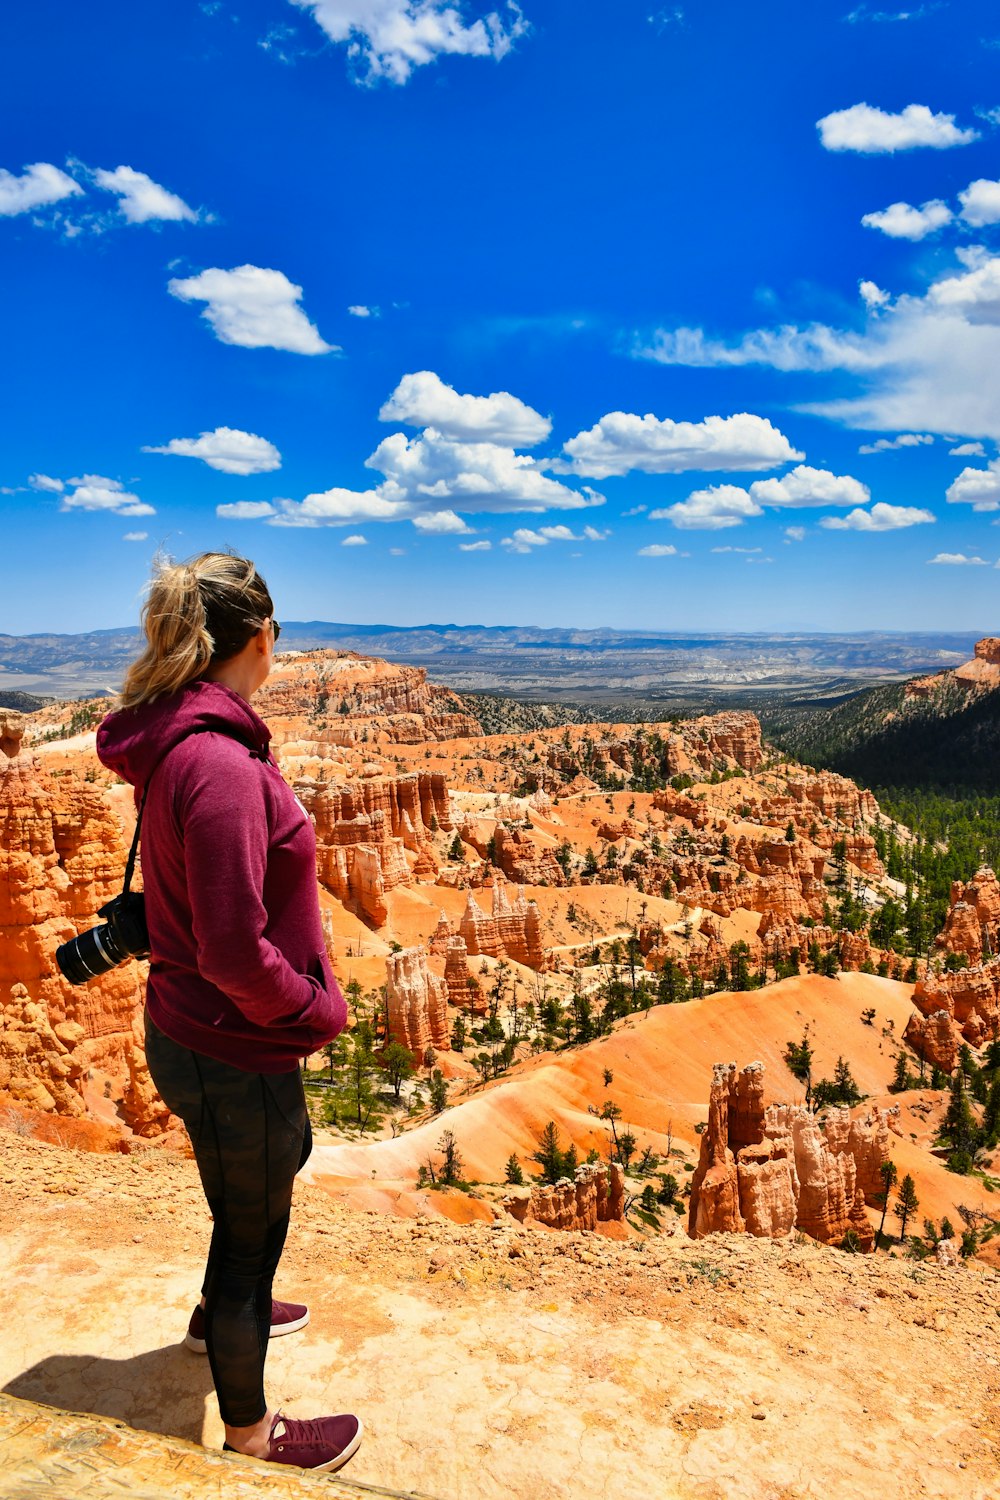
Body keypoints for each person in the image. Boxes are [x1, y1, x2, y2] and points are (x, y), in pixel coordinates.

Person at [97, 551, 361, 1473]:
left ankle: (219, 1317)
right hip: (232, 1039)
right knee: (257, 1231)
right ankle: (254, 1432)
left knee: (246, 1187)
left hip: (191, 1026)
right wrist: (313, 1012)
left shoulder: (184, 741)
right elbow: (234, 948)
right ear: (261, 637)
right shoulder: (218, 765)